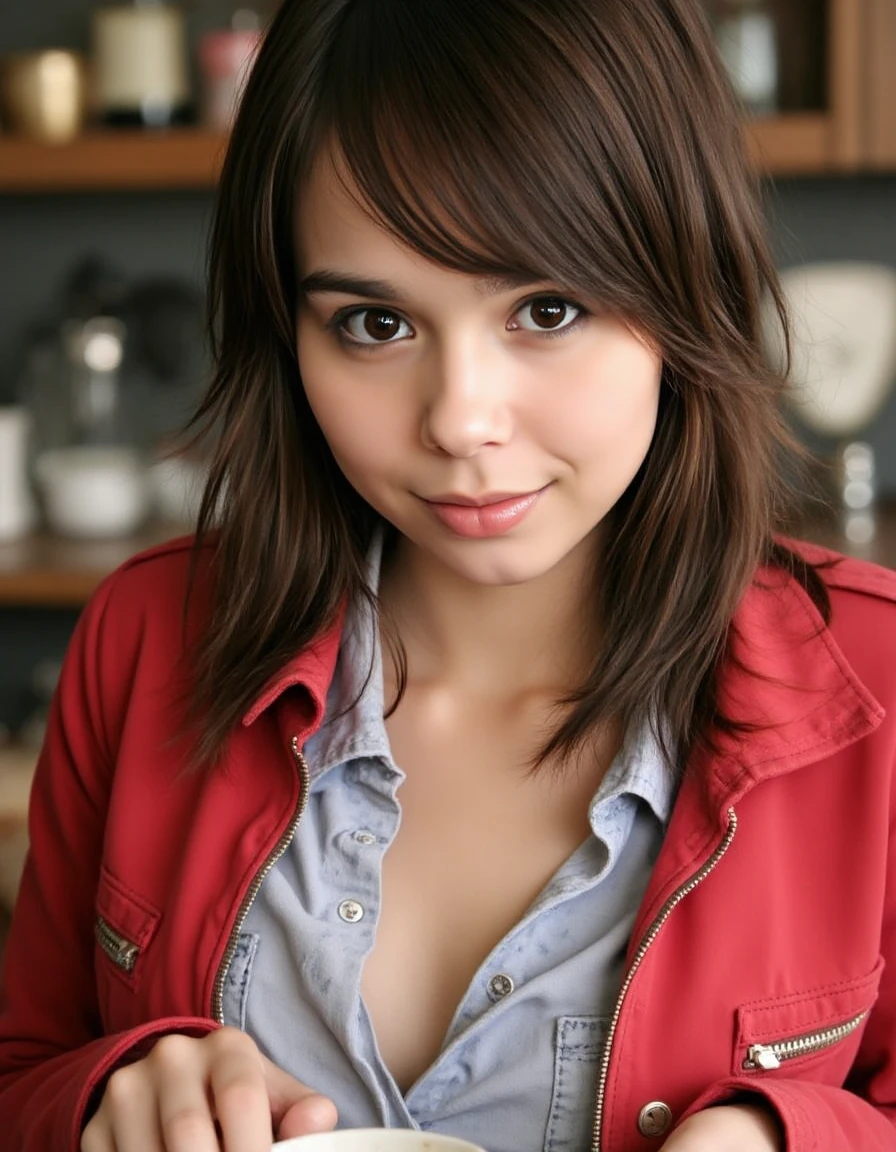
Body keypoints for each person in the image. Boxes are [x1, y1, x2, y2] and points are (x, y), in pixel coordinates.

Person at [1, 0, 895, 1149]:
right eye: (374, 324)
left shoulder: (874, 690)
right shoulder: (145, 639)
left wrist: (791, 1138)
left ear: (683, 289)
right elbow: (27, 1067)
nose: (460, 422)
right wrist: (112, 1091)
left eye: (547, 309)